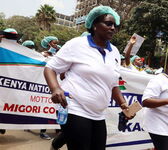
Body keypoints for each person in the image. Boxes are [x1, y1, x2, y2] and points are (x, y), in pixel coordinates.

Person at [44, 6, 132, 150]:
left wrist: (123, 104)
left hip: (98, 114)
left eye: (114, 25)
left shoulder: (114, 51)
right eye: (108, 23)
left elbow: (113, 83)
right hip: (74, 108)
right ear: (94, 25)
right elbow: (50, 68)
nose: (112, 28)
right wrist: (55, 88)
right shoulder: (77, 44)